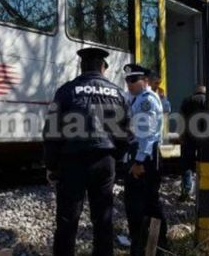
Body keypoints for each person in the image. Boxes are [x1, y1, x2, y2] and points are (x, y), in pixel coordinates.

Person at [43, 48, 130, 256]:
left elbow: (51, 132)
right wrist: (116, 159)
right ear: (103, 67)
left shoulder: (66, 91)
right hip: (104, 161)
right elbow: (126, 134)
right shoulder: (118, 94)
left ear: (82, 67)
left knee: (67, 221)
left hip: (72, 162)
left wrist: (51, 166)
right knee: (103, 220)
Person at [123, 64, 168, 256]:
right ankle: (149, 245)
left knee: (142, 202)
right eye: (127, 80)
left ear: (145, 81)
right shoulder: (138, 99)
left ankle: (152, 246)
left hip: (145, 157)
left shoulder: (146, 100)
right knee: (144, 202)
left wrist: (139, 162)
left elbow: (148, 134)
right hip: (142, 153)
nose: (129, 84)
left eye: (133, 80)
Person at [178, 85, 209, 201]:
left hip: (189, 137)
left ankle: (186, 190)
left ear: (195, 92)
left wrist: (181, 135)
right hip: (207, 139)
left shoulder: (187, 101)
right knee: (207, 163)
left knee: (187, 164)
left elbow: (181, 120)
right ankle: (207, 190)